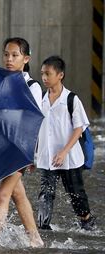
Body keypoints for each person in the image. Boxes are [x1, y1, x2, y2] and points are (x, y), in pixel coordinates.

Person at [0, 37, 43, 247]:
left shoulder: (33, 86)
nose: (9, 59)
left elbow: (33, 121)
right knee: (18, 194)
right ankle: (35, 239)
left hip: (20, 147)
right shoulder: (0, 82)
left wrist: (33, 153)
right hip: (2, 145)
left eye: (15, 55)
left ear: (26, 59)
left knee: (3, 193)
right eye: (6, 54)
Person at [36, 55, 96, 231]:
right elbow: (36, 129)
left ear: (60, 75)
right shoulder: (40, 99)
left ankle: (87, 224)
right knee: (45, 194)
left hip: (69, 157)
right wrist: (33, 155)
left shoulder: (71, 99)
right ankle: (43, 229)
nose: (44, 78)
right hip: (47, 157)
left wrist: (63, 151)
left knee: (76, 194)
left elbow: (79, 129)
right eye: (42, 74)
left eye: (48, 73)